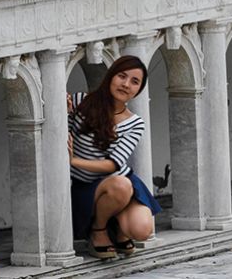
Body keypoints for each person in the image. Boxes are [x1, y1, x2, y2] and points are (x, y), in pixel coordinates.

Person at [68, 55, 162, 259]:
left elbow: (113, 165)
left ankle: (114, 229)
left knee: (142, 230)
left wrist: (73, 161)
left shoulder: (135, 123)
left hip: (118, 181)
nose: (126, 84)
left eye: (134, 82)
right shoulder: (80, 102)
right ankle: (98, 231)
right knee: (120, 186)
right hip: (84, 185)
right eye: (122, 76)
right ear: (111, 76)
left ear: (138, 90)